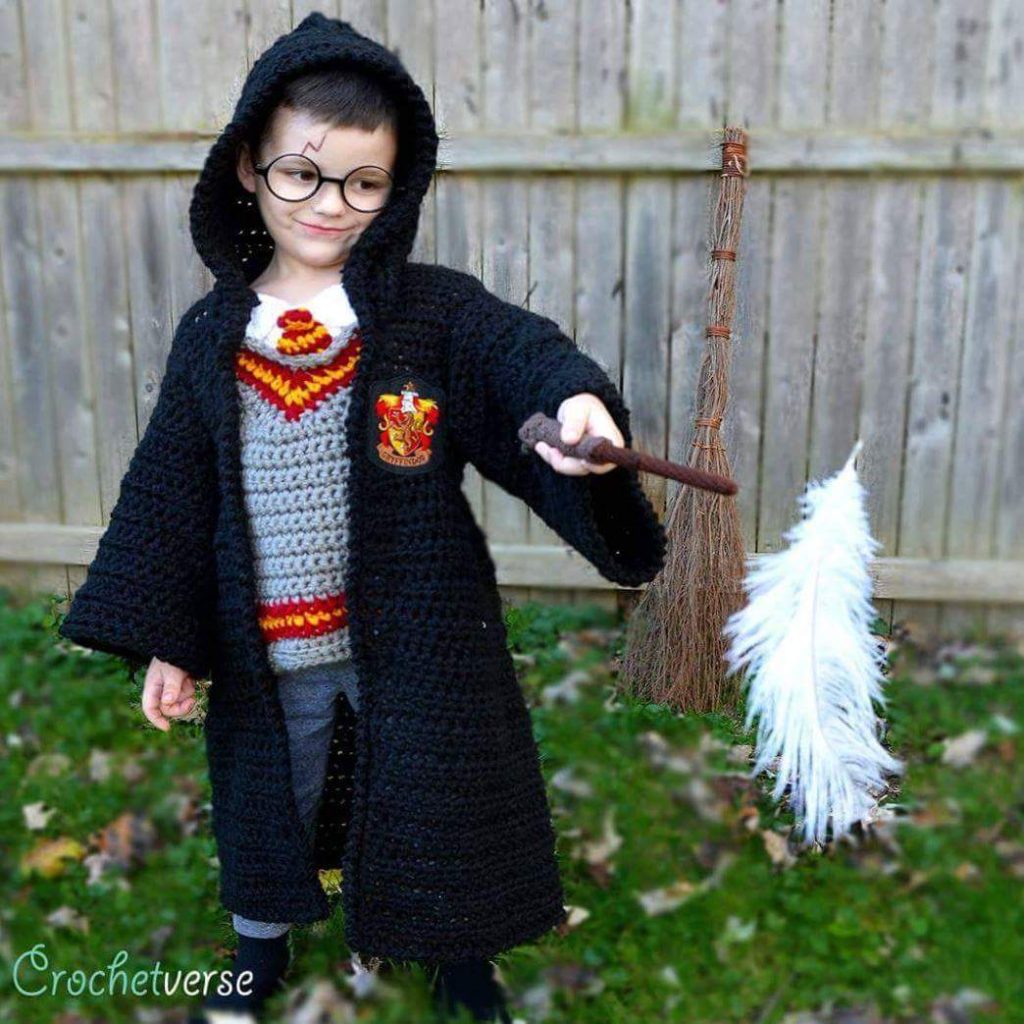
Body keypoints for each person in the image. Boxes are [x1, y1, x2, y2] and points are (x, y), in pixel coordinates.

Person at [57, 12, 667, 1023]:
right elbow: (173, 493)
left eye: (362, 183)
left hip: (416, 632)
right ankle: (259, 946)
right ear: (248, 167)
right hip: (270, 649)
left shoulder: (428, 314)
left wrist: (574, 404)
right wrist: (172, 640)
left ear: (396, 186)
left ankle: (461, 957)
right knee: (272, 801)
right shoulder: (213, 335)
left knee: (440, 793)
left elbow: (519, 353)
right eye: (301, 174)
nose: (328, 205)